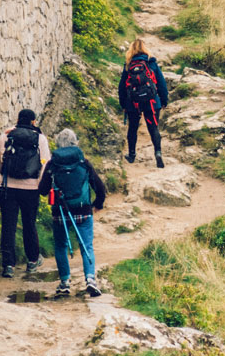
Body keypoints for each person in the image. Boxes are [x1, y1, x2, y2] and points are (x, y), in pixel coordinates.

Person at [38, 128, 107, 297]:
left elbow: (42, 190)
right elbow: (100, 187)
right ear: (75, 143)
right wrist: (98, 204)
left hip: (60, 212)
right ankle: (90, 279)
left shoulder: (52, 165)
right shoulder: (84, 163)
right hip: (83, 210)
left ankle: (64, 282)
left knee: (60, 246)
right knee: (86, 246)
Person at [0, 108, 51, 279]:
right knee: (29, 224)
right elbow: (45, 164)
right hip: (30, 188)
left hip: (7, 186)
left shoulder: (7, 136)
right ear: (33, 122)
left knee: (8, 224)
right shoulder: (40, 139)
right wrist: (40, 186)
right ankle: (32, 261)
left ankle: (8, 265)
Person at [118, 38, 169, 168]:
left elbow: (122, 87)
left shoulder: (128, 65)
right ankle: (158, 153)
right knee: (153, 128)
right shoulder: (151, 63)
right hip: (151, 101)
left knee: (133, 128)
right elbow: (162, 84)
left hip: (133, 102)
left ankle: (131, 155)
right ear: (145, 49)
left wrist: (123, 104)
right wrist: (164, 101)